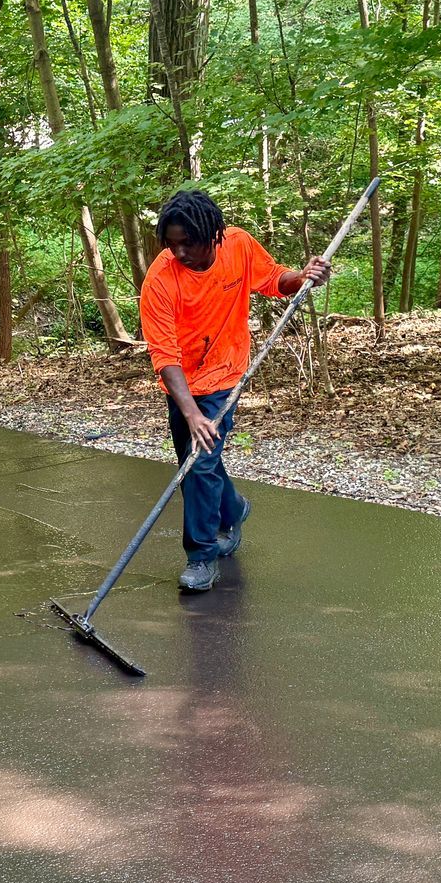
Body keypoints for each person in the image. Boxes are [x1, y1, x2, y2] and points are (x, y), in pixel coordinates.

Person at [138, 189, 330, 592]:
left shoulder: (237, 245)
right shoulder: (161, 278)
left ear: (214, 235)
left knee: (200, 464)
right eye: (172, 244)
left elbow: (275, 279)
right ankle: (234, 507)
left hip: (226, 373)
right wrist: (190, 411)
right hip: (182, 383)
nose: (179, 252)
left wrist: (302, 276)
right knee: (194, 460)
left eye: (187, 242)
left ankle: (202, 556)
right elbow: (164, 353)